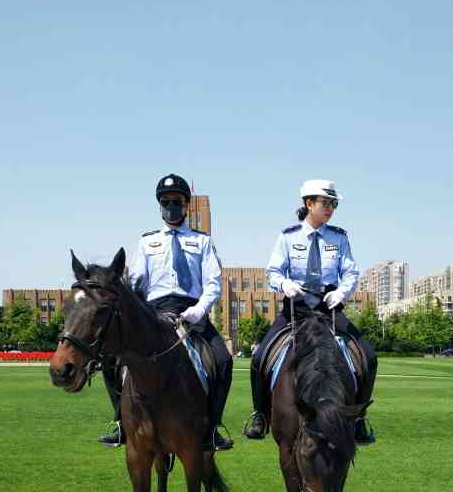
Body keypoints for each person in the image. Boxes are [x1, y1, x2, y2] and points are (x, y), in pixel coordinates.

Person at [99, 173, 233, 452]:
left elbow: (213, 282)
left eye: (177, 202)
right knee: (112, 361)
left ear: (186, 205)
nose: (171, 206)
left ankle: (213, 427)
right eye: (166, 202)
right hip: (155, 314)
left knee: (222, 359)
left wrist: (200, 309)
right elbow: (137, 283)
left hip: (192, 313)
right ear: (159, 206)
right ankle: (121, 423)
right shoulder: (147, 242)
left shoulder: (202, 241)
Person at [243, 179, 376, 444]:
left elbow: (350, 272)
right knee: (259, 358)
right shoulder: (288, 236)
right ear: (309, 204)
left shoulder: (339, 237)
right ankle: (260, 414)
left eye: (333, 204)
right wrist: (284, 284)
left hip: (329, 308)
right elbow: (273, 271)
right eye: (326, 203)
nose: (331, 208)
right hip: (297, 307)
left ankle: (358, 419)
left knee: (369, 356)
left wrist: (341, 292)